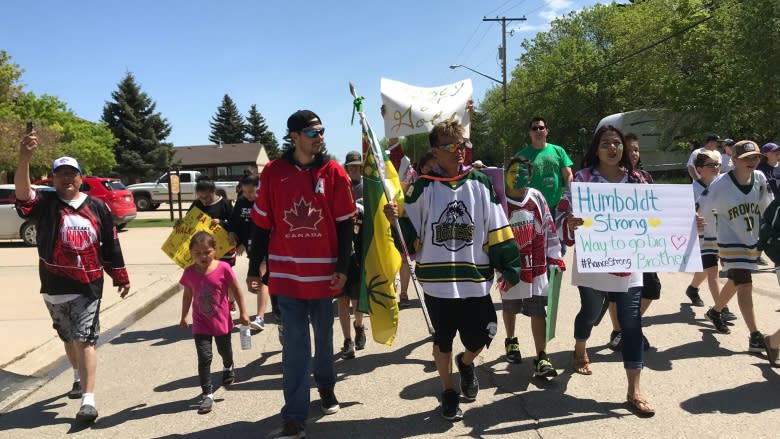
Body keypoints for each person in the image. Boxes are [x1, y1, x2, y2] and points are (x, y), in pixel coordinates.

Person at [384, 120, 520, 422]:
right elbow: (410, 238)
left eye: (463, 145)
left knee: (484, 333)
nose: (460, 151)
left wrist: (509, 265)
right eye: (452, 146)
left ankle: (466, 361)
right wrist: (396, 219)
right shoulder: (422, 187)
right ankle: (447, 391)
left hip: (474, 280)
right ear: (436, 150)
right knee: (442, 340)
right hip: (437, 284)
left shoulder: (480, 183)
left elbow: (497, 227)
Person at [246, 110, 355, 438]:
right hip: (287, 276)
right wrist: (254, 267)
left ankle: (325, 386)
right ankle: (294, 414)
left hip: (323, 275)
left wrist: (343, 268)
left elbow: (345, 223)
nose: (320, 136)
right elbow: (262, 224)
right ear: (294, 136)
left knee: (323, 341)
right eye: (312, 132)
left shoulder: (334, 172)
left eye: (322, 131)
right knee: (294, 346)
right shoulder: (274, 173)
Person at [15, 131, 130, 424]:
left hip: (88, 286)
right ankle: (77, 376)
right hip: (53, 285)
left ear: (81, 178)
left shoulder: (97, 207)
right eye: (60, 174)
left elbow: (111, 242)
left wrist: (119, 275)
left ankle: (88, 401)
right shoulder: (46, 205)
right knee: (68, 337)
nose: (67, 178)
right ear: (53, 179)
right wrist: (25, 156)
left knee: (86, 339)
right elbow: (22, 195)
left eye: (72, 173)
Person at [562, 125, 654, 417]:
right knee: (590, 312)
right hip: (595, 262)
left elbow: (657, 217)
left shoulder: (638, 180)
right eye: (605, 144)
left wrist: (690, 224)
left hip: (629, 263)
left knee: (631, 323)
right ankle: (580, 347)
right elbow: (564, 211)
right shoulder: (582, 179)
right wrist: (570, 221)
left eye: (617, 143)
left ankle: (634, 390)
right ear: (596, 149)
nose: (612, 148)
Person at [701, 141, 773, 353]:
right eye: (746, 158)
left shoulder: (759, 178)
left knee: (735, 279)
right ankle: (755, 335)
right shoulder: (721, 183)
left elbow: (766, 206)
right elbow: (701, 206)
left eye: (755, 157)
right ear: (733, 160)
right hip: (729, 239)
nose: (752, 161)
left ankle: (715, 311)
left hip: (750, 238)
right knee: (744, 282)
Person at [500, 156, 565, 379]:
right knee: (510, 307)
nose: (518, 176)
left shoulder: (536, 197)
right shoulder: (499, 200)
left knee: (539, 310)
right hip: (510, 267)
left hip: (536, 267)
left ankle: (541, 356)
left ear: (530, 176)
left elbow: (548, 225)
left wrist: (555, 256)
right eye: (513, 171)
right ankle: (511, 340)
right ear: (505, 174)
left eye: (523, 172)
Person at [179, 231, 250, 414]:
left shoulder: (224, 268)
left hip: (221, 321)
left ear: (215, 251)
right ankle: (207, 395)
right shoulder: (189, 272)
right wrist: (184, 316)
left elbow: (238, 291)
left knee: (224, 350)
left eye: (207, 252)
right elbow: (187, 296)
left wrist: (243, 312)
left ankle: (228, 366)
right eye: (198, 253)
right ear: (191, 253)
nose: (203, 256)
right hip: (200, 322)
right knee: (205, 358)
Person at [605, 133, 660, 352]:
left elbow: (658, 207)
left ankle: (629, 325)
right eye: (629, 150)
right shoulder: (609, 178)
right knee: (616, 290)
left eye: (636, 150)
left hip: (644, 243)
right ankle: (619, 331)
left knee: (651, 288)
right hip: (617, 243)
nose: (633, 154)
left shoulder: (645, 177)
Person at [683, 151, 736, 318]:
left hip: (719, 233)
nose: (716, 168)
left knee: (707, 270)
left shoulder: (722, 186)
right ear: (699, 169)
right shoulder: (692, 189)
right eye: (711, 165)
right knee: (713, 271)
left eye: (717, 165)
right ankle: (721, 309)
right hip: (701, 236)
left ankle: (692, 289)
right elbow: (683, 213)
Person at [228, 172, 269, 331]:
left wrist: (244, 243)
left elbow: (260, 228)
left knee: (262, 276)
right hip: (250, 248)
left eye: (252, 192)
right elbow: (234, 221)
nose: (249, 195)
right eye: (245, 192)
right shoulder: (241, 202)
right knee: (259, 276)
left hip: (264, 245)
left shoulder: (265, 202)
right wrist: (233, 233)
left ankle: (260, 317)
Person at [397, 151, 437, 308]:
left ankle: (430, 293)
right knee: (405, 261)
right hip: (408, 223)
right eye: (429, 166)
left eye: (435, 166)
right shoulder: (410, 175)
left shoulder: (438, 182)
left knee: (426, 259)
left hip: (426, 226)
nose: (432, 169)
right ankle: (404, 293)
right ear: (422, 166)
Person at [338, 150, 367, 358]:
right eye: (351, 166)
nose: (354, 168)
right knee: (342, 299)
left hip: (360, 248)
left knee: (357, 300)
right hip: (340, 249)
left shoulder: (368, 186)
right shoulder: (339, 186)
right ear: (346, 167)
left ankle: (359, 327)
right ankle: (347, 340)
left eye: (357, 165)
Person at [514, 117, 573, 214]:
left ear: (547, 131)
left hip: (557, 207)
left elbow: (568, 175)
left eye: (541, 128)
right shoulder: (521, 156)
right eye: (534, 128)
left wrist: (568, 197)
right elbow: (516, 181)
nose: (538, 130)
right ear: (530, 133)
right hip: (531, 208)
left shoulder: (559, 151)